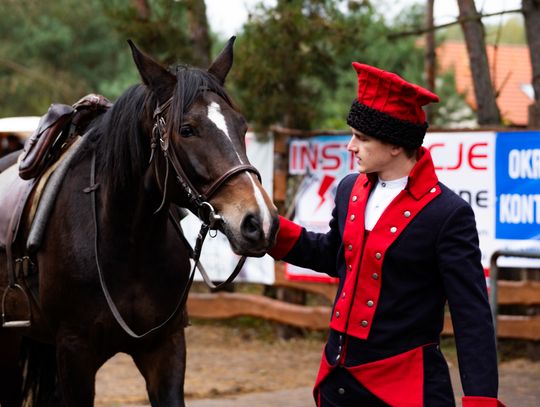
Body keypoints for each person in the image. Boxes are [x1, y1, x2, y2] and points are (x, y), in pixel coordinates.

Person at [269, 63, 505, 406]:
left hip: (404, 389)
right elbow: (334, 256)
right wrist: (272, 232)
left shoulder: (448, 214)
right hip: (338, 380)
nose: (351, 146)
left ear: (395, 144)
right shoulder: (349, 189)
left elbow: (472, 316)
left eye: (362, 138)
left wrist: (480, 399)